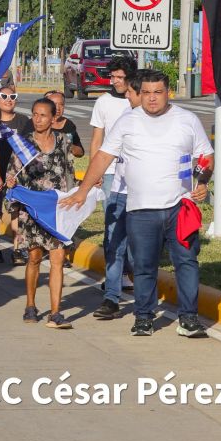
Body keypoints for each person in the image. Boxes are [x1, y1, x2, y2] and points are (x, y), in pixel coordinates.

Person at [61, 70, 212, 338]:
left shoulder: (187, 120)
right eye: (146, 93)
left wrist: (202, 182)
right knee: (143, 265)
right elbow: (103, 157)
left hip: (181, 207)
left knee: (187, 262)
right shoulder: (127, 122)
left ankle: (188, 319)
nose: (152, 98)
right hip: (141, 210)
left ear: (168, 93)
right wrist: (83, 190)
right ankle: (143, 317)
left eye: (158, 92)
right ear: (139, 94)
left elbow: (206, 156)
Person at [3, 98, 78, 329]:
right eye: (35, 114)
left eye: (43, 115)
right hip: (32, 210)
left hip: (55, 211)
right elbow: (12, 177)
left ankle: (55, 312)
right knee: (34, 258)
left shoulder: (64, 141)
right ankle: (31, 305)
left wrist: (75, 200)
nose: (37, 119)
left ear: (54, 118)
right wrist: (11, 182)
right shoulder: (23, 145)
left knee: (57, 258)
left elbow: (69, 173)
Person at [87, 56, 137, 320]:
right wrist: (94, 171)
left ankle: (127, 275)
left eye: (120, 77)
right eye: (113, 77)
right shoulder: (103, 102)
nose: (115, 82)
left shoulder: (141, 103)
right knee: (113, 233)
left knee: (133, 235)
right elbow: (97, 138)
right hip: (109, 175)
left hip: (138, 180)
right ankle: (113, 292)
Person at [0, 85, 31, 264]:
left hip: (18, 174)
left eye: (12, 96)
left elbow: (30, 146)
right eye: (4, 96)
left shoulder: (23, 121)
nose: (8, 99)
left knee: (17, 211)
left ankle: (17, 250)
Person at [43, 91, 84, 158]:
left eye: (61, 104)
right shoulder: (36, 123)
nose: (58, 108)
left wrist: (68, 145)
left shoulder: (69, 125)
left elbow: (80, 152)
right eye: (54, 104)